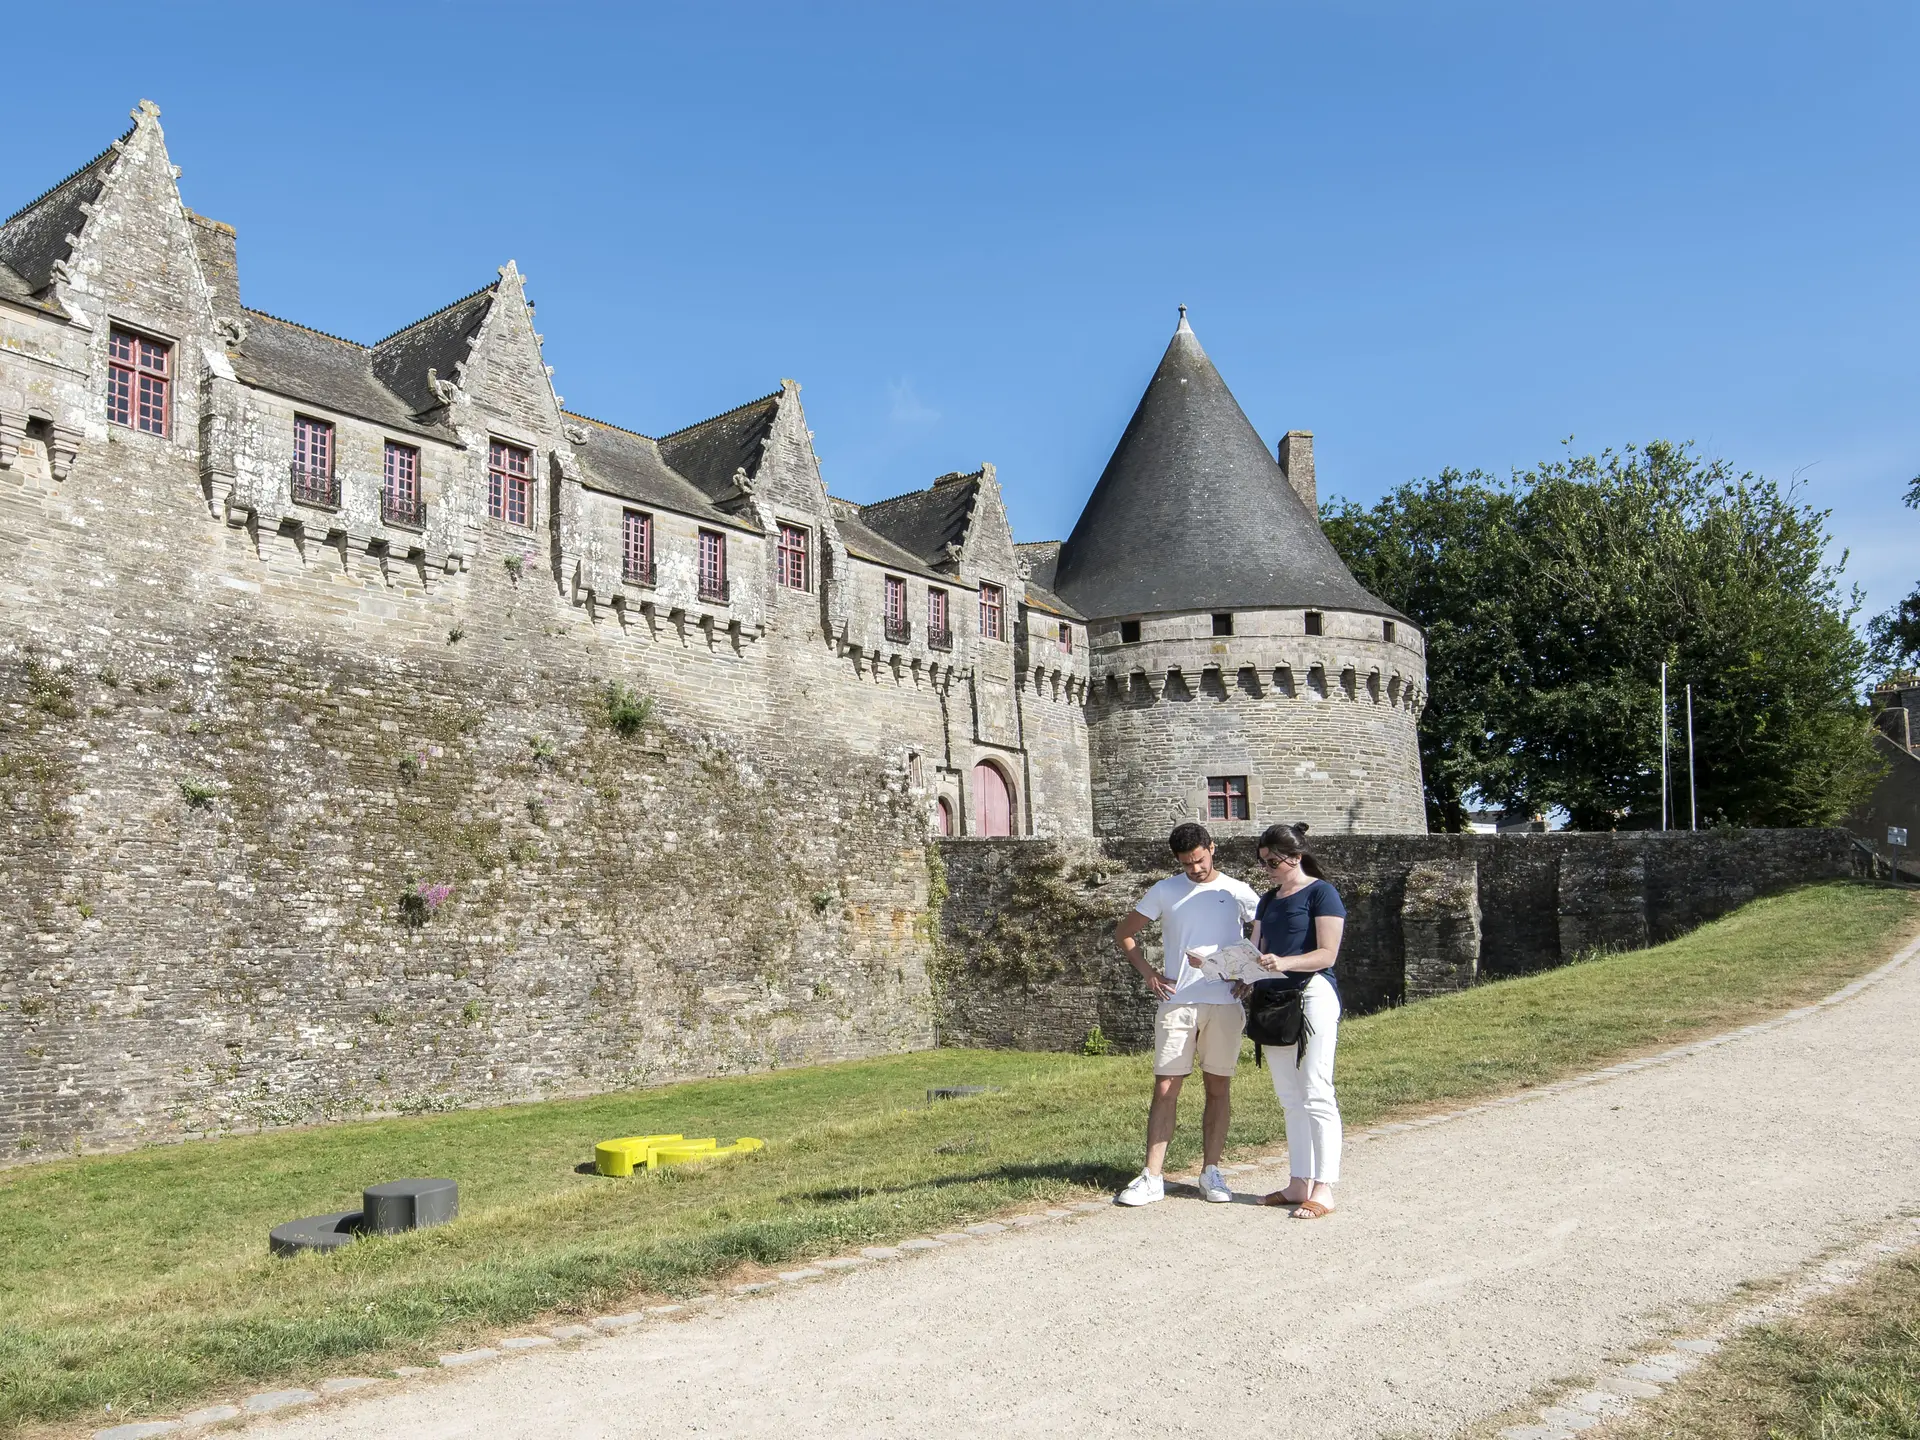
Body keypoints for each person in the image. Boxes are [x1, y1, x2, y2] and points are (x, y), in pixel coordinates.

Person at [1112, 821, 1260, 1206]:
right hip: (1177, 1001)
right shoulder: (1165, 890)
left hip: (1225, 1002)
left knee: (1218, 1088)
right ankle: (1152, 1177)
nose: (1194, 868)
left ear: (1212, 848)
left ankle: (1211, 1173)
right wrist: (1149, 974)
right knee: (1165, 1088)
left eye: (1199, 859)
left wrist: (1250, 975)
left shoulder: (1238, 890)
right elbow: (1124, 933)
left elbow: (1265, 932)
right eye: (1186, 863)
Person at [1241, 821, 1346, 1218]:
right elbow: (1255, 949)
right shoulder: (1268, 900)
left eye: (1273, 862)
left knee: (1316, 1089)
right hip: (1273, 998)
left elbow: (1327, 954)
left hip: (1312, 994)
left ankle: (1324, 1187)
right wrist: (1236, 971)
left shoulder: (1322, 893)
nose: (1267, 869)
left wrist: (1284, 962)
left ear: (1296, 857)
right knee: (1289, 1097)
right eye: (1263, 862)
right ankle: (1298, 1180)